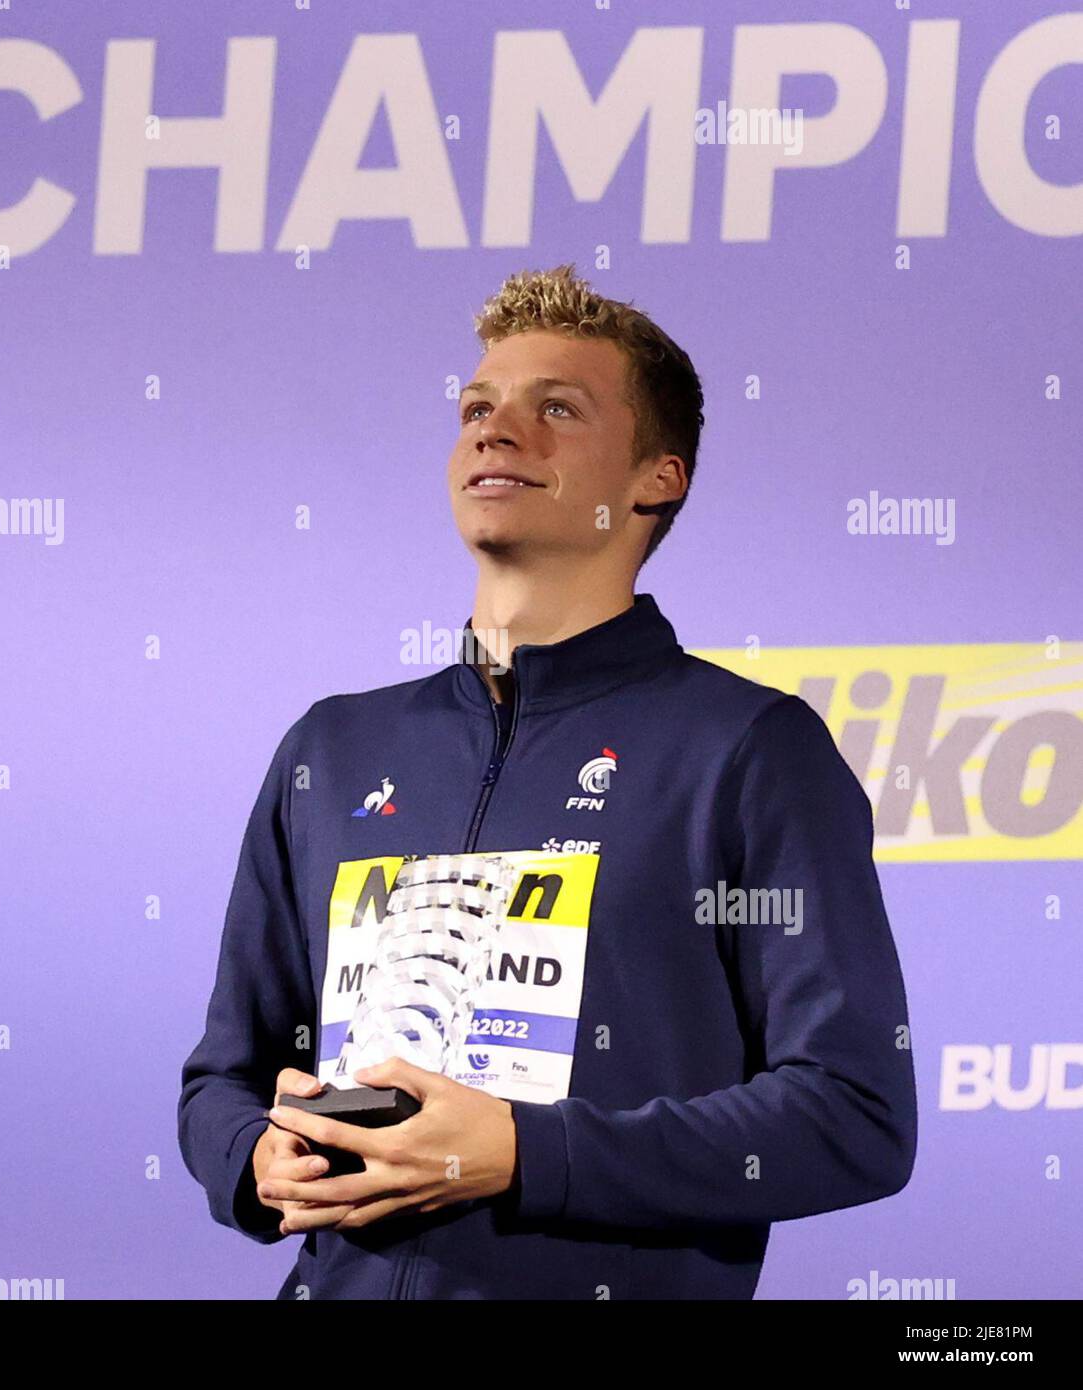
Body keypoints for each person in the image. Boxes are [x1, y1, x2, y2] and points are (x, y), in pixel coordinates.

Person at [177, 264, 917, 1300]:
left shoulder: (748, 748)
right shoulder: (331, 747)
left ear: (656, 477)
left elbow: (853, 1115)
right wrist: (256, 1158)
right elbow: (225, 1075)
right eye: (476, 408)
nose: (494, 430)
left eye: (554, 409)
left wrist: (525, 1152)